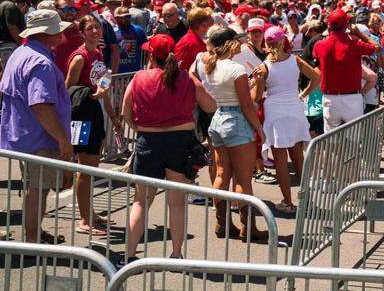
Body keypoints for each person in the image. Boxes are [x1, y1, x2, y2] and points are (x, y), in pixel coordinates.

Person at [121, 34, 218, 264]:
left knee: (141, 202)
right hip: (180, 143)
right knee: (176, 202)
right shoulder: (186, 77)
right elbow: (210, 105)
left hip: (149, 142)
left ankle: (129, 256)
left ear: (151, 55)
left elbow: (126, 113)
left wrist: (143, 129)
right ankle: (176, 254)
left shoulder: (139, 77)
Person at [0, 9, 74, 243]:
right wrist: (63, 139)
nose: (61, 32)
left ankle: (34, 236)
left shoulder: (21, 52)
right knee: (38, 191)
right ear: (46, 34)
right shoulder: (40, 61)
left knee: (35, 188)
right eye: (56, 29)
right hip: (39, 137)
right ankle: (32, 241)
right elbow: (40, 105)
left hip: (26, 134)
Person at [201, 26, 268, 242]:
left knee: (222, 174)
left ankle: (222, 224)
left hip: (219, 119)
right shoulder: (236, 70)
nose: (241, 42)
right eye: (237, 40)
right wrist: (259, 129)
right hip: (236, 121)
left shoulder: (212, 66)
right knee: (243, 178)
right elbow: (247, 104)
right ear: (230, 43)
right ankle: (248, 228)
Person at [253, 26, 320, 213]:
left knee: (281, 160)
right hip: (295, 110)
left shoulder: (263, 67)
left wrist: (258, 82)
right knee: (298, 157)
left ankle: (288, 203)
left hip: (275, 113)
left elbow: (257, 96)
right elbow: (316, 78)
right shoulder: (295, 60)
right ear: (283, 41)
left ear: (267, 43)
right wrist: (303, 94)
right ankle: (307, 201)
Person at [64, 14, 120, 236]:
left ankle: (90, 212)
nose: (95, 31)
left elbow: (103, 85)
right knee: (85, 167)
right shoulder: (79, 57)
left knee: (93, 165)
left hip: (95, 113)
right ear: (82, 32)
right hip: (80, 116)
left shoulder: (98, 53)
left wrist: (113, 115)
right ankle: (84, 220)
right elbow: (68, 90)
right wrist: (93, 95)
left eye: (97, 27)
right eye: (90, 29)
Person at [313, 8, 377, 132]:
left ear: (329, 25)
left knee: (331, 141)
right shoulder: (355, 44)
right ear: (346, 25)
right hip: (352, 98)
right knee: (353, 141)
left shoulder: (319, 45)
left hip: (330, 99)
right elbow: (378, 47)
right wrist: (359, 34)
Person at [113, 6, 147, 74]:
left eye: (128, 16)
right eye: (122, 17)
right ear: (116, 18)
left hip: (135, 72)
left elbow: (145, 51)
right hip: (118, 73)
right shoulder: (112, 32)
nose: (126, 19)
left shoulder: (138, 30)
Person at [0, 0, 25, 68]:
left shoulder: (5, 4)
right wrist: (23, 44)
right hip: (10, 46)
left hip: (7, 45)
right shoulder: (10, 6)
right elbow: (11, 27)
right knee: (9, 73)